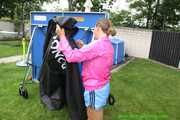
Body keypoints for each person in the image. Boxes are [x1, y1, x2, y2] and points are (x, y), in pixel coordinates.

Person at [56, 19, 115, 120]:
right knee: (97, 112)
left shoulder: (96, 45)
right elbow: (96, 54)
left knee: (93, 117)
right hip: (102, 86)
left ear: (98, 28)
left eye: (94, 29)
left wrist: (62, 36)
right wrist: (83, 46)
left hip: (94, 89)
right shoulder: (107, 44)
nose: (93, 31)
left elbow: (71, 56)